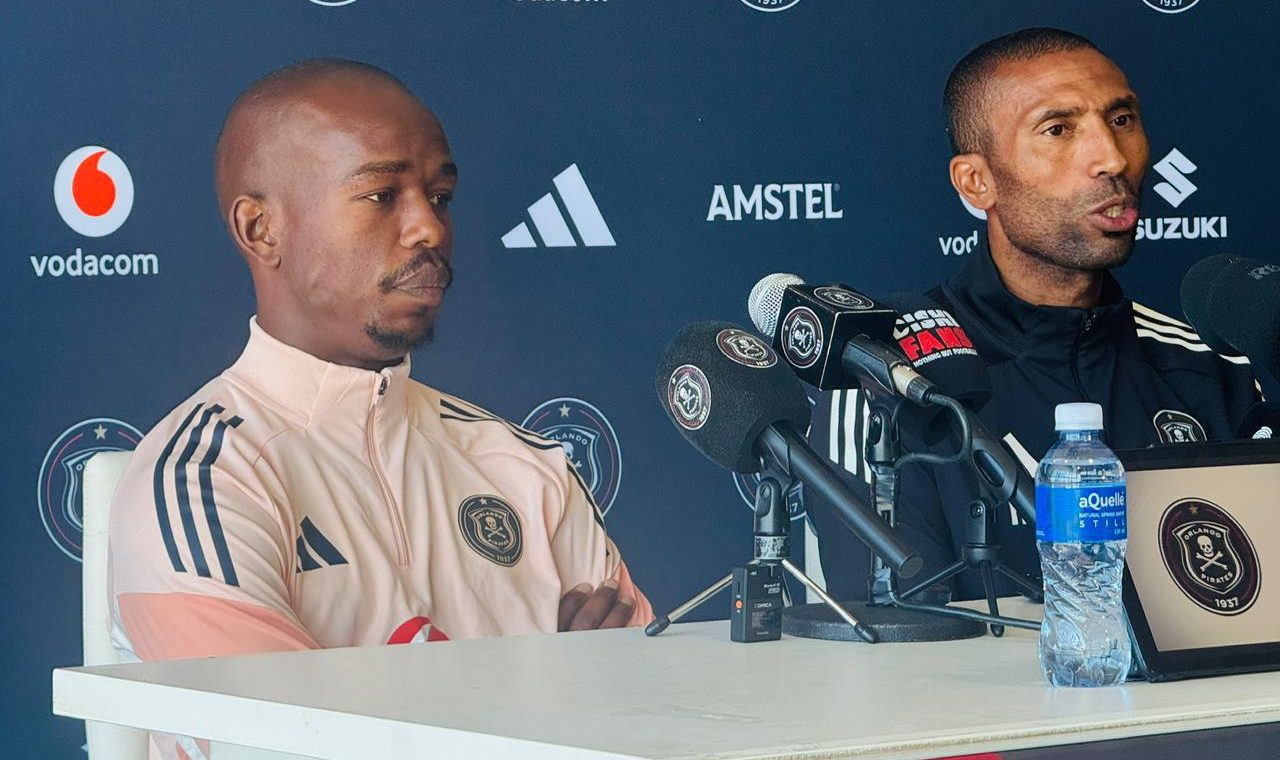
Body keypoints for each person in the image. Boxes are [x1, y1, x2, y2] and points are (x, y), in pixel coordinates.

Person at [109, 59, 652, 756]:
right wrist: (556, 695)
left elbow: (648, 722)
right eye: (380, 196)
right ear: (261, 229)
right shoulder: (200, 480)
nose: (428, 228)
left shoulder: (526, 465)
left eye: (441, 197)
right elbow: (285, 749)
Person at [810, 28, 1259, 602]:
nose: (1112, 159)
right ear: (977, 182)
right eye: (1058, 129)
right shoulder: (882, 370)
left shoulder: (1205, 364)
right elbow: (896, 644)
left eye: (1121, 119)